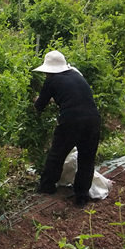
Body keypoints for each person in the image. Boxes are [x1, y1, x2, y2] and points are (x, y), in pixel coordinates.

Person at [33, 50, 101, 206]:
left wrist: (37, 100)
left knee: (57, 154)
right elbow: (73, 95)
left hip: (71, 121)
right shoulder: (76, 74)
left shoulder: (51, 81)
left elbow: (39, 106)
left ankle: (47, 187)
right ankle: (82, 197)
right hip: (93, 119)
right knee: (87, 159)